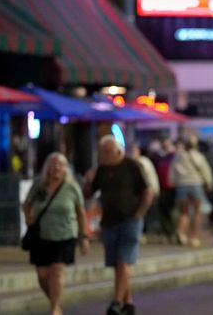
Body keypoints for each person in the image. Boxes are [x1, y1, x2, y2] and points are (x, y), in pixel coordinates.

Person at [84, 135, 152, 315]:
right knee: (117, 264)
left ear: (117, 151)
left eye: (107, 152)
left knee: (124, 261)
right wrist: (88, 181)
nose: (103, 155)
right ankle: (128, 302)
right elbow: (88, 194)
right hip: (109, 222)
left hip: (130, 220)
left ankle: (116, 302)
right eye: (101, 152)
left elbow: (147, 190)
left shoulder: (131, 165)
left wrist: (139, 214)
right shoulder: (102, 169)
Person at [21, 152, 89, 315]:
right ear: (47, 168)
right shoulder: (39, 185)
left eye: (60, 164)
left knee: (57, 271)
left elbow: (81, 213)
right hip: (42, 235)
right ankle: (54, 301)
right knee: (42, 275)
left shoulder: (71, 186)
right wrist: (28, 218)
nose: (56, 167)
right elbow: (27, 204)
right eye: (53, 164)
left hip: (65, 235)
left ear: (65, 168)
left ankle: (55, 309)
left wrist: (83, 237)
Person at [171, 136, 213, 247]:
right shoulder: (199, 156)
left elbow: (172, 171)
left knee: (184, 212)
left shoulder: (178, 156)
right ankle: (194, 237)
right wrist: (209, 183)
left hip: (182, 186)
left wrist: (172, 182)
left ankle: (181, 232)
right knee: (196, 213)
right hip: (195, 185)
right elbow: (205, 171)